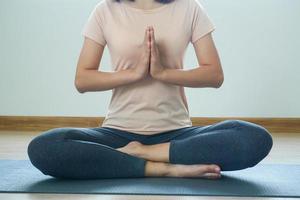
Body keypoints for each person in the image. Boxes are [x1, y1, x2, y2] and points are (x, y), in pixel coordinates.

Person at [27, 0, 273, 180]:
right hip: (117, 133)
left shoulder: (189, 8)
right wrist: (133, 74)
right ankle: (162, 166)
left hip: (177, 134)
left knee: (255, 138)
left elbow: (214, 75)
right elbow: (82, 79)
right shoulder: (105, 10)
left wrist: (163, 73)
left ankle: (140, 154)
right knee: (44, 147)